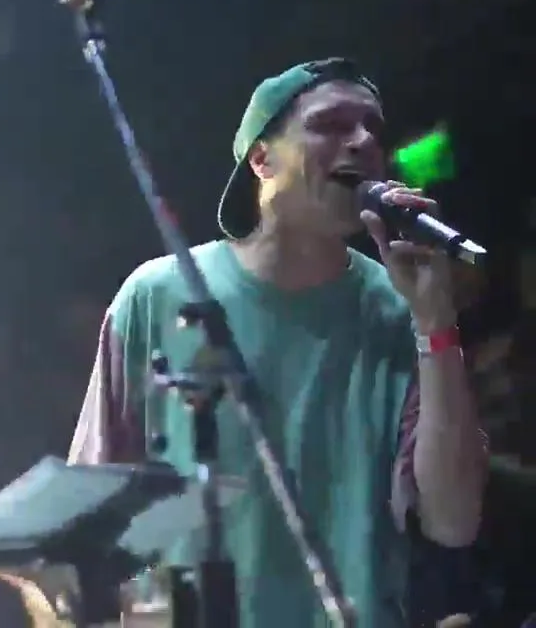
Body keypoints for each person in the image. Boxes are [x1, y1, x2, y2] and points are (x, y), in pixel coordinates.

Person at [67, 58, 487, 626]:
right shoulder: (158, 294)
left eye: (373, 128)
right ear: (261, 159)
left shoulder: (400, 308)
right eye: (330, 125)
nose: (364, 141)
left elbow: (454, 521)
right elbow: (89, 514)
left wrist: (436, 322)